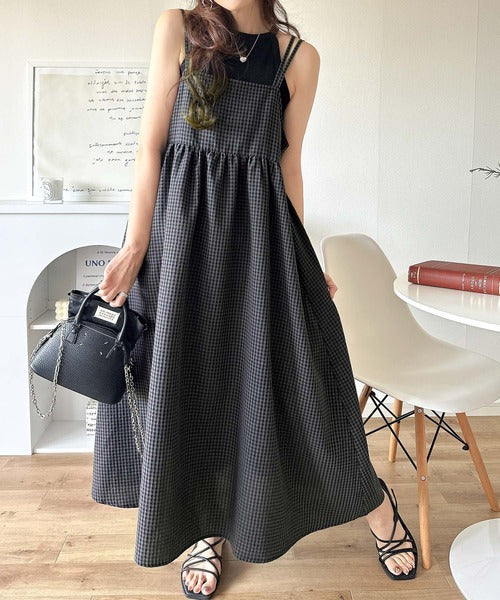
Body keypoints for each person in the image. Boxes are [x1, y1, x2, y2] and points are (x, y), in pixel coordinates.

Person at [92, 1, 418, 598]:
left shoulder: (298, 57)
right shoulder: (177, 28)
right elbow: (150, 146)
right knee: (190, 389)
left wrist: (301, 256)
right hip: (176, 244)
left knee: (308, 388)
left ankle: (375, 503)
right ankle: (204, 530)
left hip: (261, 246)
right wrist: (136, 244)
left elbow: (289, 163)